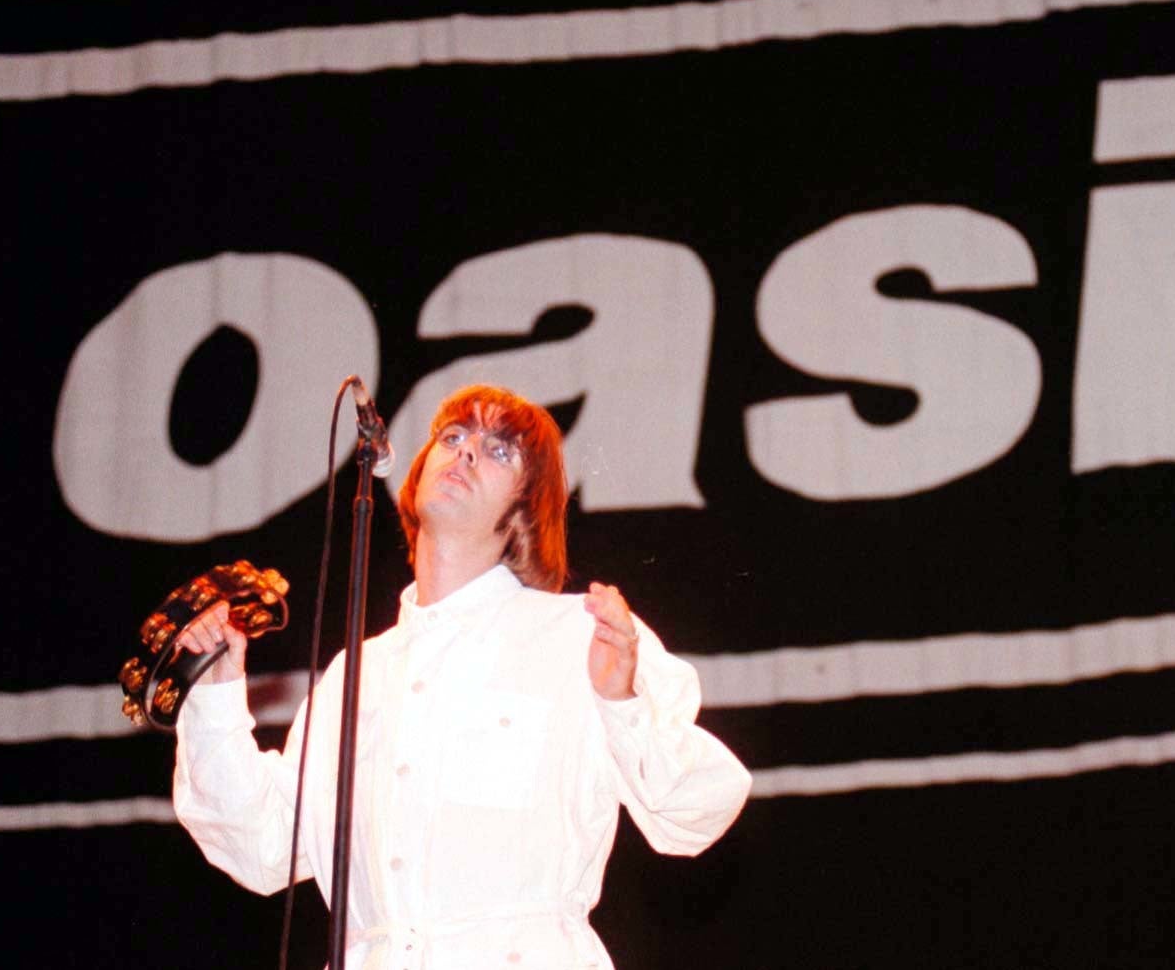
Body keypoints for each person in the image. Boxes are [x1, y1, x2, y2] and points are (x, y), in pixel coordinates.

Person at [171, 383, 752, 970]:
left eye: (500, 451)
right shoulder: (359, 671)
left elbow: (697, 813)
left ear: (525, 512)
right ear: (417, 475)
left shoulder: (582, 637)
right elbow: (262, 846)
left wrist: (622, 700)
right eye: (453, 436)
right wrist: (215, 693)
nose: (467, 452)